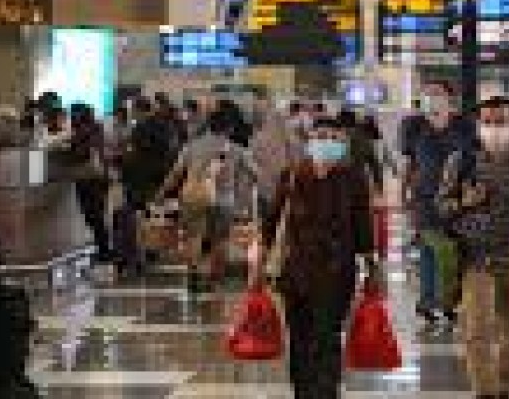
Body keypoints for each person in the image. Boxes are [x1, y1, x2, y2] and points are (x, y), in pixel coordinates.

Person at [439, 97, 509, 399]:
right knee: (476, 330)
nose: (493, 128)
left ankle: (503, 388)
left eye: (500, 121)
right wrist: (465, 202)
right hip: (476, 257)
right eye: (486, 121)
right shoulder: (460, 161)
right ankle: (485, 392)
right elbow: (442, 206)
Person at [259, 117, 377, 399]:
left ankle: (325, 392)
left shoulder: (354, 178)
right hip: (296, 274)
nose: (327, 143)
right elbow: (271, 222)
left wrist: (373, 268)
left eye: (334, 138)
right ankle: (303, 391)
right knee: (300, 339)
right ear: (309, 141)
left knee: (326, 338)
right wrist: (260, 262)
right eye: (321, 136)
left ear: (343, 144)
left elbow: (363, 227)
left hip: (337, 273)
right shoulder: (291, 175)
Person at [156, 103, 257, 292]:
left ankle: (193, 272)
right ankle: (213, 279)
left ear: (209, 125)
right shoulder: (237, 149)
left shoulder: (192, 146)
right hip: (224, 200)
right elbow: (255, 173)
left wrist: (161, 194)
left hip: (194, 197)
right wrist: (244, 192)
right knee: (220, 239)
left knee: (193, 236)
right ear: (230, 128)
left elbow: (176, 173)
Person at [401, 80, 471, 327]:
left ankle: (451, 302)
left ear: (450, 97)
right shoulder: (413, 125)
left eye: (437, 93)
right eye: (427, 92)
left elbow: (471, 160)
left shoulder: (463, 125)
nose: (431, 96)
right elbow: (409, 163)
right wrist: (404, 195)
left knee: (456, 251)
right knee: (430, 251)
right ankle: (428, 302)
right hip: (424, 199)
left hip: (456, 198)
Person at [65, 104, 112, 262]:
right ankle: (103, 248)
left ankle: (104, 250)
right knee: (96, 215)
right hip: (99, 177)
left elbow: (81, 154)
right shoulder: (96, 129)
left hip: (88, 178)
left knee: (93, 215)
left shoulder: (83, 132)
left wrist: (69, 150)